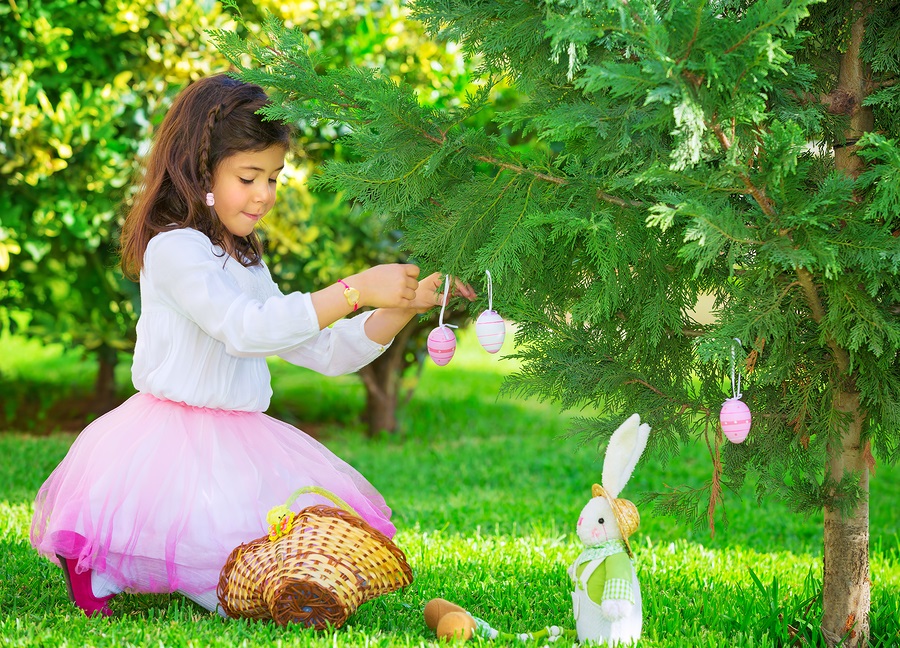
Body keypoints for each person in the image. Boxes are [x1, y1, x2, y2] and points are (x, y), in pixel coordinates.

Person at [29, 74, 474, 617]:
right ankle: (102, 564)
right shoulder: (174, 250)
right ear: (201, 170)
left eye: (274, 177)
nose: (264, 194)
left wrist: (400, 307)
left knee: (261, 571)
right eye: (249, 176)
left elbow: (324, 351)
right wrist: (354, 289)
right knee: (224, 584)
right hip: (168, 443)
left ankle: (176, 569)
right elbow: (245, 327)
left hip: (236, 445)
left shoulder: (242, 257)